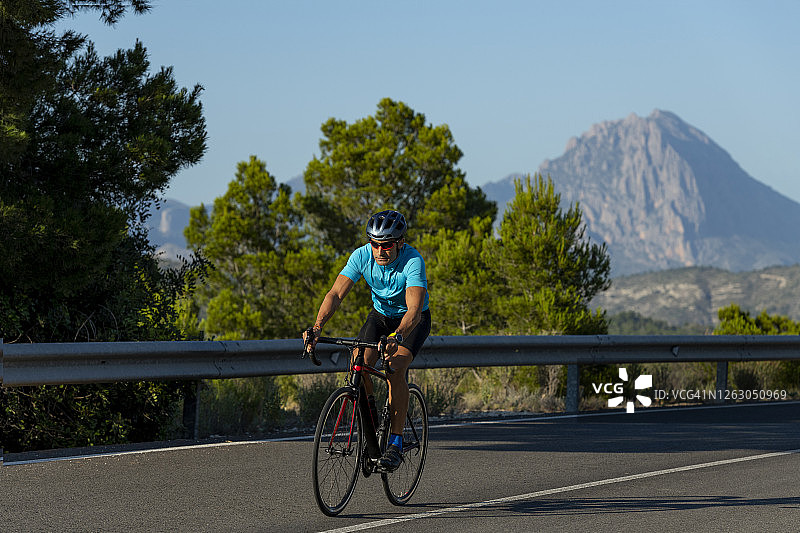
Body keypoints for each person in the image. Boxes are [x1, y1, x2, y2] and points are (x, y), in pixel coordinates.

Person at [304, 210, 431, 472]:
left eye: (386, 245)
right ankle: (372, 428)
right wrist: (317, 327)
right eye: (375, 244)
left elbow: (415, 310)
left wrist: (398, 337)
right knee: (357, 363)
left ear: (400, 243)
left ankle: (395, 443)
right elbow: (336, 294)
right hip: (381, 316)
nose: (380, 251)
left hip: (411, 320)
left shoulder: (413, 261)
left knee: (395, 368)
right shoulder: (361, 256)